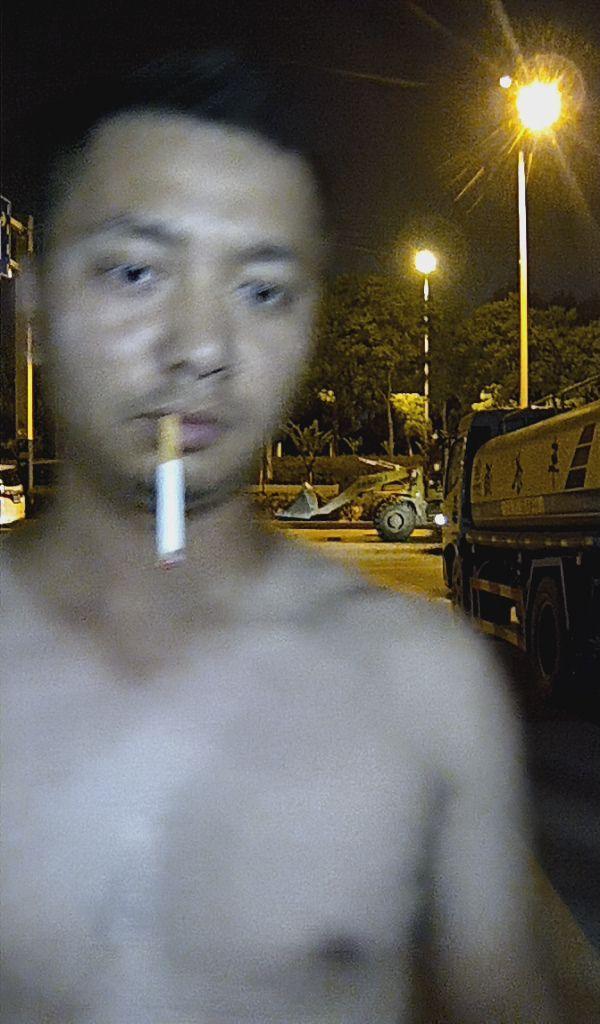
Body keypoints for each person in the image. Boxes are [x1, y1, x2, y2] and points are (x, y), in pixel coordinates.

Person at [1, 51, 570, 1023]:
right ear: (36, 301)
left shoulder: (419, 689)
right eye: (135, 271)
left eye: (262, 289)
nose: (200, 347)